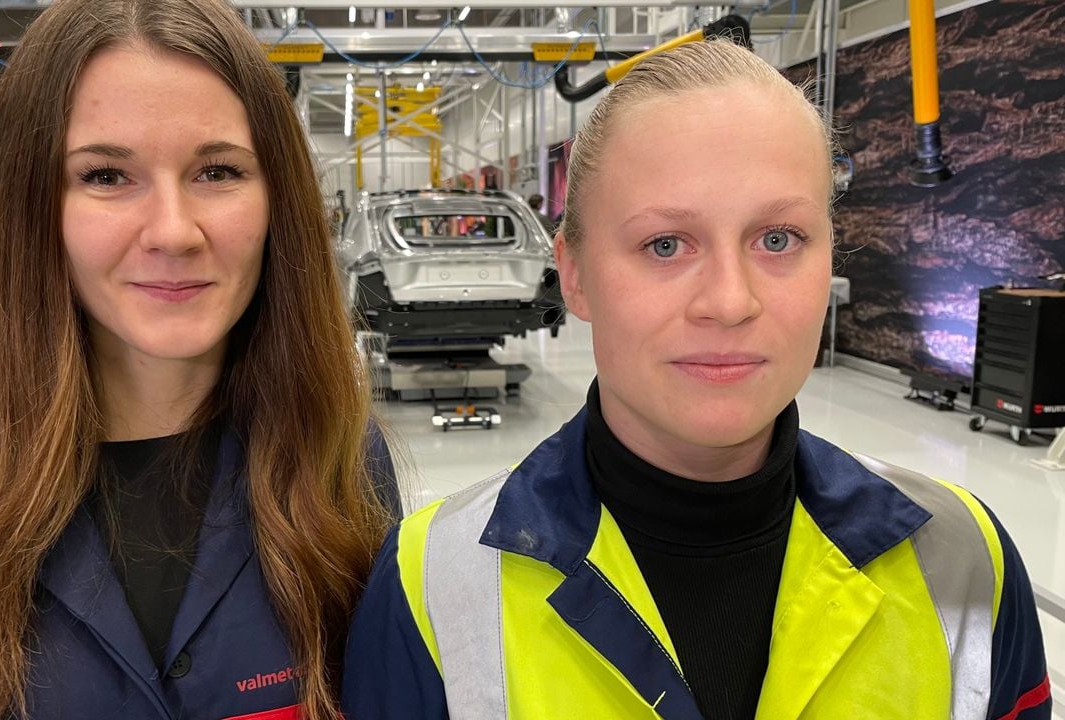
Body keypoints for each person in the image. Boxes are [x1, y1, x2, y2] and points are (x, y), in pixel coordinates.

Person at [343, 40, 1050, 720]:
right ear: (577, 275)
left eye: (778, 238)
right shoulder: (430, 584)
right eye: (665, 245)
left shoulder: (964, 562)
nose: (729, 301)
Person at [0, 2, 399, 720]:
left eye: (218, 170)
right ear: (33, 207)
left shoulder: (341, 459)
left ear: (277, 199)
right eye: (105, 176)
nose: (173, 230)